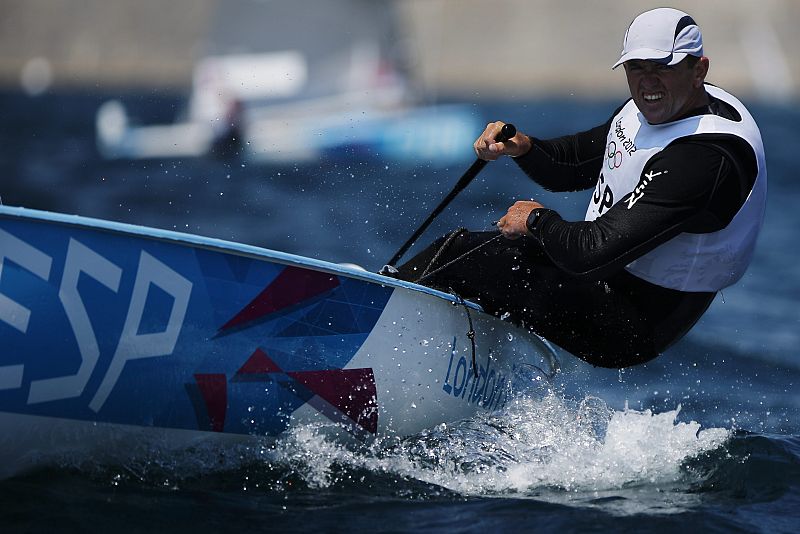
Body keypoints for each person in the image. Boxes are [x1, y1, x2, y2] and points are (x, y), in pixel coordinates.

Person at [396, 7, 767, 368]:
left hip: (632, 324)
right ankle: (430, 362)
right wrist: (524, 147)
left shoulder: (704, 160)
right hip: (602, 284)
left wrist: (537, 220)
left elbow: (591, 253)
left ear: (698, 70)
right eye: (636, 68)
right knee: (483, 261)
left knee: (461, 252)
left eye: (662, 68)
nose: (647, 82)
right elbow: (572, 164)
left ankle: (373, 315)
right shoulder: (662, 106)